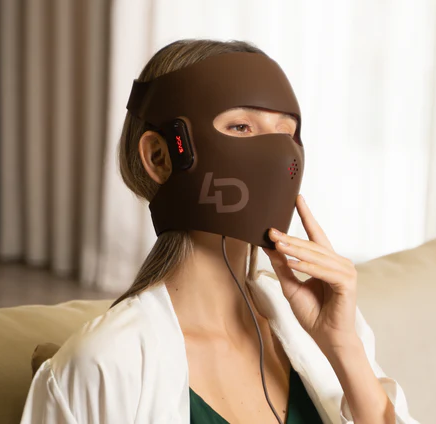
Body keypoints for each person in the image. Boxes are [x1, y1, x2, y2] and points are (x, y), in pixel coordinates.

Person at [21, 39, 415, 424]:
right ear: (161, 157)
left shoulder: (324, 322)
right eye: (242, 127)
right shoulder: (103, 365)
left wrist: (342, 346)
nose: (279, 155)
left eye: (286, 133)